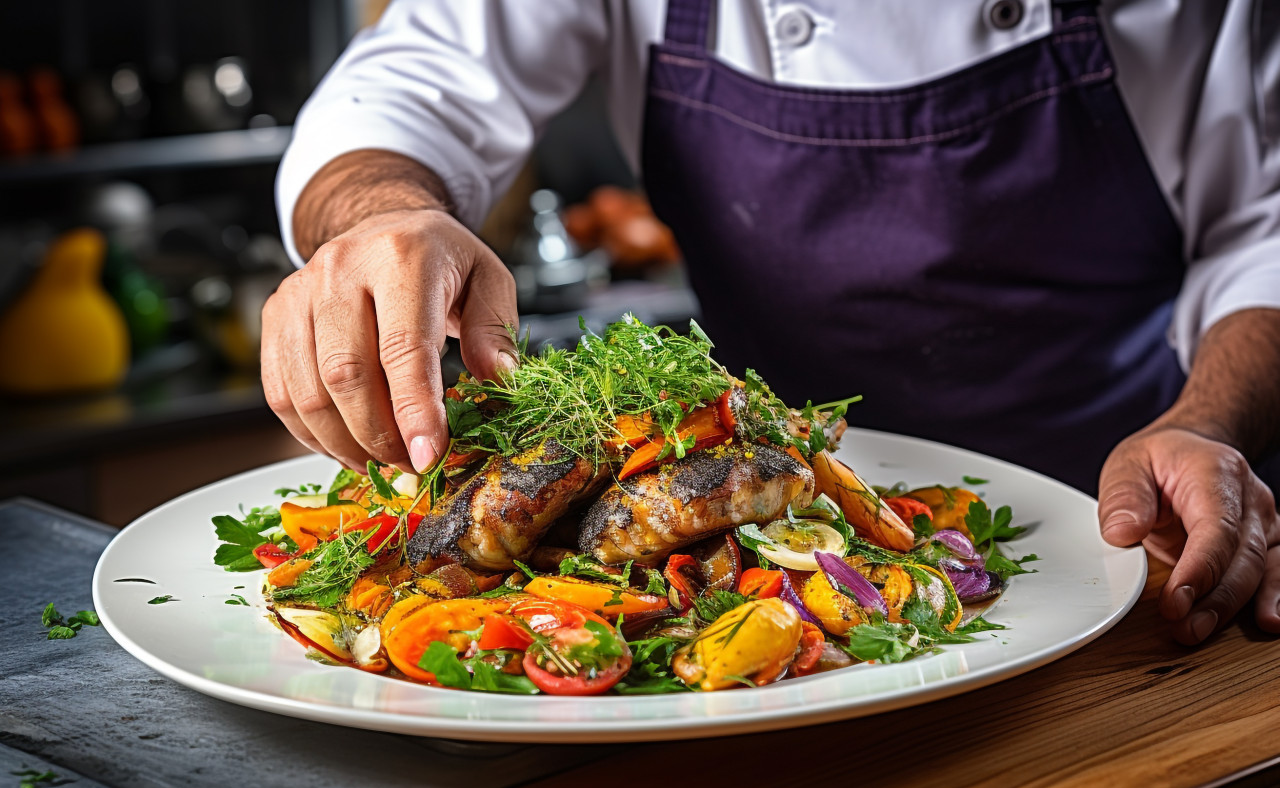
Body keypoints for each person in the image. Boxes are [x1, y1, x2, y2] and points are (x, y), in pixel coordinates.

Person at [263, 0, 1280, 645]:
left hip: (1129, 530)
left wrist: (1210, 423)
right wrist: (382, 214)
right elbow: (400, 88)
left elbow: (1263, 226)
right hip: (746, 486)